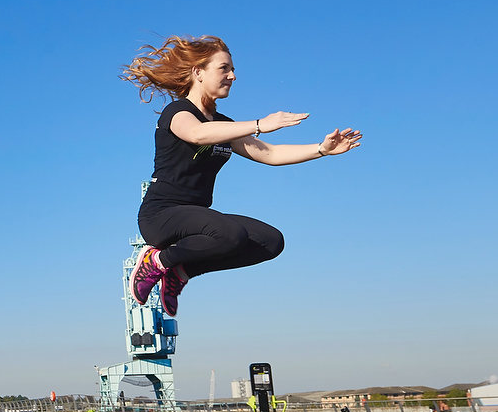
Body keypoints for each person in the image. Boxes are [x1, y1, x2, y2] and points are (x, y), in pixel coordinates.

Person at [120, 35, 361, 317]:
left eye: (232, 69)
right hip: (161, 216)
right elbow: (197, 134)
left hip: (196, 218)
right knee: (230, 234)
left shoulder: (225, 125)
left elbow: (270, 154)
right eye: (224, 68)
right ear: (198, 72)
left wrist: (322, 149)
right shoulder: (178, 112)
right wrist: (260, 124)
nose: (233, 76)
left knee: (270, 241)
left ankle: (181, 271)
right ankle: (157, 261)